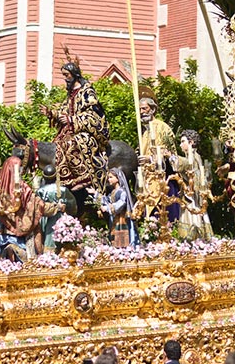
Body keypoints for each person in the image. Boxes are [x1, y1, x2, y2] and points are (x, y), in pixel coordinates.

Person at [41, 61, 110, 203]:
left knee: (73, 143)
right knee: (56, 147)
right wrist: (51, 113)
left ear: (74, 75)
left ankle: (85, 177)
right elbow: (64, 111)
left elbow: (94, 115)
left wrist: (72, 120)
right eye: (63, 75)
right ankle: (66, 177)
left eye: (66, 75)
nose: (65, 78)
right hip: (69, 129)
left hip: (85, 130)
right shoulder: (70, 94)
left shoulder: (87, 92)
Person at [0, 155, 64, 261]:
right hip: (21, 237)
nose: (21, 172)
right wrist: (56, 207)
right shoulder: (22, 188)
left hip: (0, 235)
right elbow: (38, 205)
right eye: (19, 169)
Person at [137, 94, 180, 223]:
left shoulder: (162, 127)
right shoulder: (143, 131)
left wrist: (150, 159)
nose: (141, 112)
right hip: (147, 177)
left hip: (162, 177)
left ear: (153, 109)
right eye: (140, 109)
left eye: (144, 108)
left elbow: (168, 153)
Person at [175, 130, 214, 240]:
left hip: (193, 196)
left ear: (191, 142)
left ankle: (196, 239)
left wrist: (172, 157)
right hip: (188, 193)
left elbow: (188, 165)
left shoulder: (194, 156)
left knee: (194, 218)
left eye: (183, 141)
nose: (180, 145)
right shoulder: (190, 156)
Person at [87, 167, 138, 248]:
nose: (109, 180)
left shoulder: (122, 191)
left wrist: (107, 208)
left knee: (121, 236)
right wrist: (95, 193)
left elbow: (121, 203)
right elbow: (107, 200)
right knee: (114, 236)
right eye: (108, 178)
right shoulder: (114, 192)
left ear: (118, 178)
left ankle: (125, 251)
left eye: (111, 177)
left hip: (121, 218)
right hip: (114, 217)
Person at [36, 164, 78, 253]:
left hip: (46, 218)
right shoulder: (63, 190)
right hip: (60, 217)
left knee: (48, 236)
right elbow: (72, 204)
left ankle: (49, 255)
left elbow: (38, 206)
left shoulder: (40, 191)